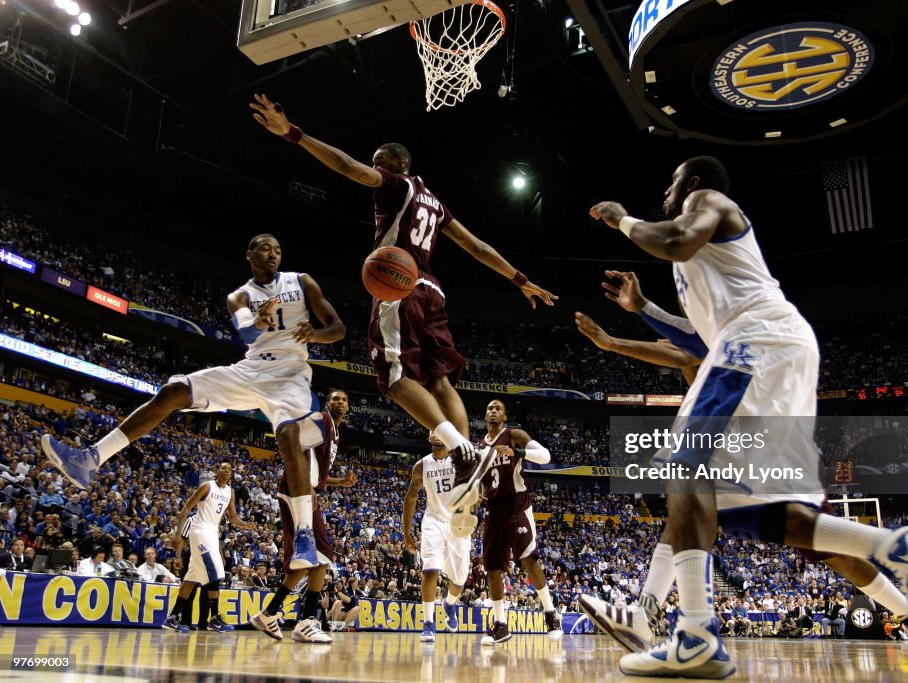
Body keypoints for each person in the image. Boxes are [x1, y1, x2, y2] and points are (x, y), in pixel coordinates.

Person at [585, 156, 908, 677]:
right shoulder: (703, 268)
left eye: (671, 182)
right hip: (766, 349)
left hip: (757, 344)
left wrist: (622, 219)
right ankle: (907, 548)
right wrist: (642, 308)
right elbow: (698, 341)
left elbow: (673, 241)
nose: (667, 192)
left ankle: (692, 634)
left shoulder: (705, 202)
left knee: (682, 469)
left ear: (691, 184)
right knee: (751, 512)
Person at [249, 94, 556, 513]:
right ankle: (468, 465)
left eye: (381, 161)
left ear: (398, 166)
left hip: (398, 285)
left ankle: (462, 450)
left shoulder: (398, 187)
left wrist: (294, 134)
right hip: (433, 288)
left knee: (392, 380)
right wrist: (521, 280)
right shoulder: (436, 203)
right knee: (439, 381)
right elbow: (477, 247)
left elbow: (347, 168)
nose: (375, 166)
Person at [42, 234, 346, 572]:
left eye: (278, 249)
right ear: (249, 255)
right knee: (172, 393)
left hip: (290, 375)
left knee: (289, 436)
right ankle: (90, 458)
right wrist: (259, 321)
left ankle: (304, 534)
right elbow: (245, 334)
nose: (273, 254)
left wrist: (316, 334)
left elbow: (338, 328)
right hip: (251, 369)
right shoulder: (240, 296)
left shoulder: (300, 282)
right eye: (265, 248)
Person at [251, 389, 357, 644]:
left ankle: (270, 614)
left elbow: (318, 473)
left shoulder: (334, 430)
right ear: (327, 404)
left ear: (349, 406)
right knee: (322, 555)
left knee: (316, 558)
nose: (340, 402)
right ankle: (306, 621)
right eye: (335, 398)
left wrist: (339, 482)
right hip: (296, 488)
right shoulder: (321, 420)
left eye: (344, 399)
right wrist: (307, 487)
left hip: (302, 488)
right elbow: (296, 446)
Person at [473, 399, 562, 645]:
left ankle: (550, 613)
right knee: (492, 567)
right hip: (494, 506)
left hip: (517, 501)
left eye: (497, 408)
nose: (492, 410)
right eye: (489, 407)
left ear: (504, 416)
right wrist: (477, 495)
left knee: (528, 558)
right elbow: (481, 480)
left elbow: (545, 456)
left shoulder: (514, 434)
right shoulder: (480, 446)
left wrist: (518, 452)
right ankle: (501, 625)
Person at [163, 463, 256, 634]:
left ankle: (172, 617)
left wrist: (246, 525)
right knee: (215, 573)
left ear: (231, 474)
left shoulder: (230, 492)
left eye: (229, 469)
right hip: (199, 530)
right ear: (217, 471)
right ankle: (214, 618)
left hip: (213, 533)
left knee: (192, 576)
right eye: (223, 468)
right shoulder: (207, 486)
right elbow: (186, 508)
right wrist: (177, 533)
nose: (226, 470)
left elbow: (233, 518)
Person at [402, 432, 471, 642]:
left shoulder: (459, 460)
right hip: (433, 520)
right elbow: (411, 496)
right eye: (434, 432)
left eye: (442, 431)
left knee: (460, 578)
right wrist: (406, 530)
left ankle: (449, 603)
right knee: (430, 569)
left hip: (458, 522)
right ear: (429, 437)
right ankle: (429, 624)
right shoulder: (421, 466)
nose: (438, 435)